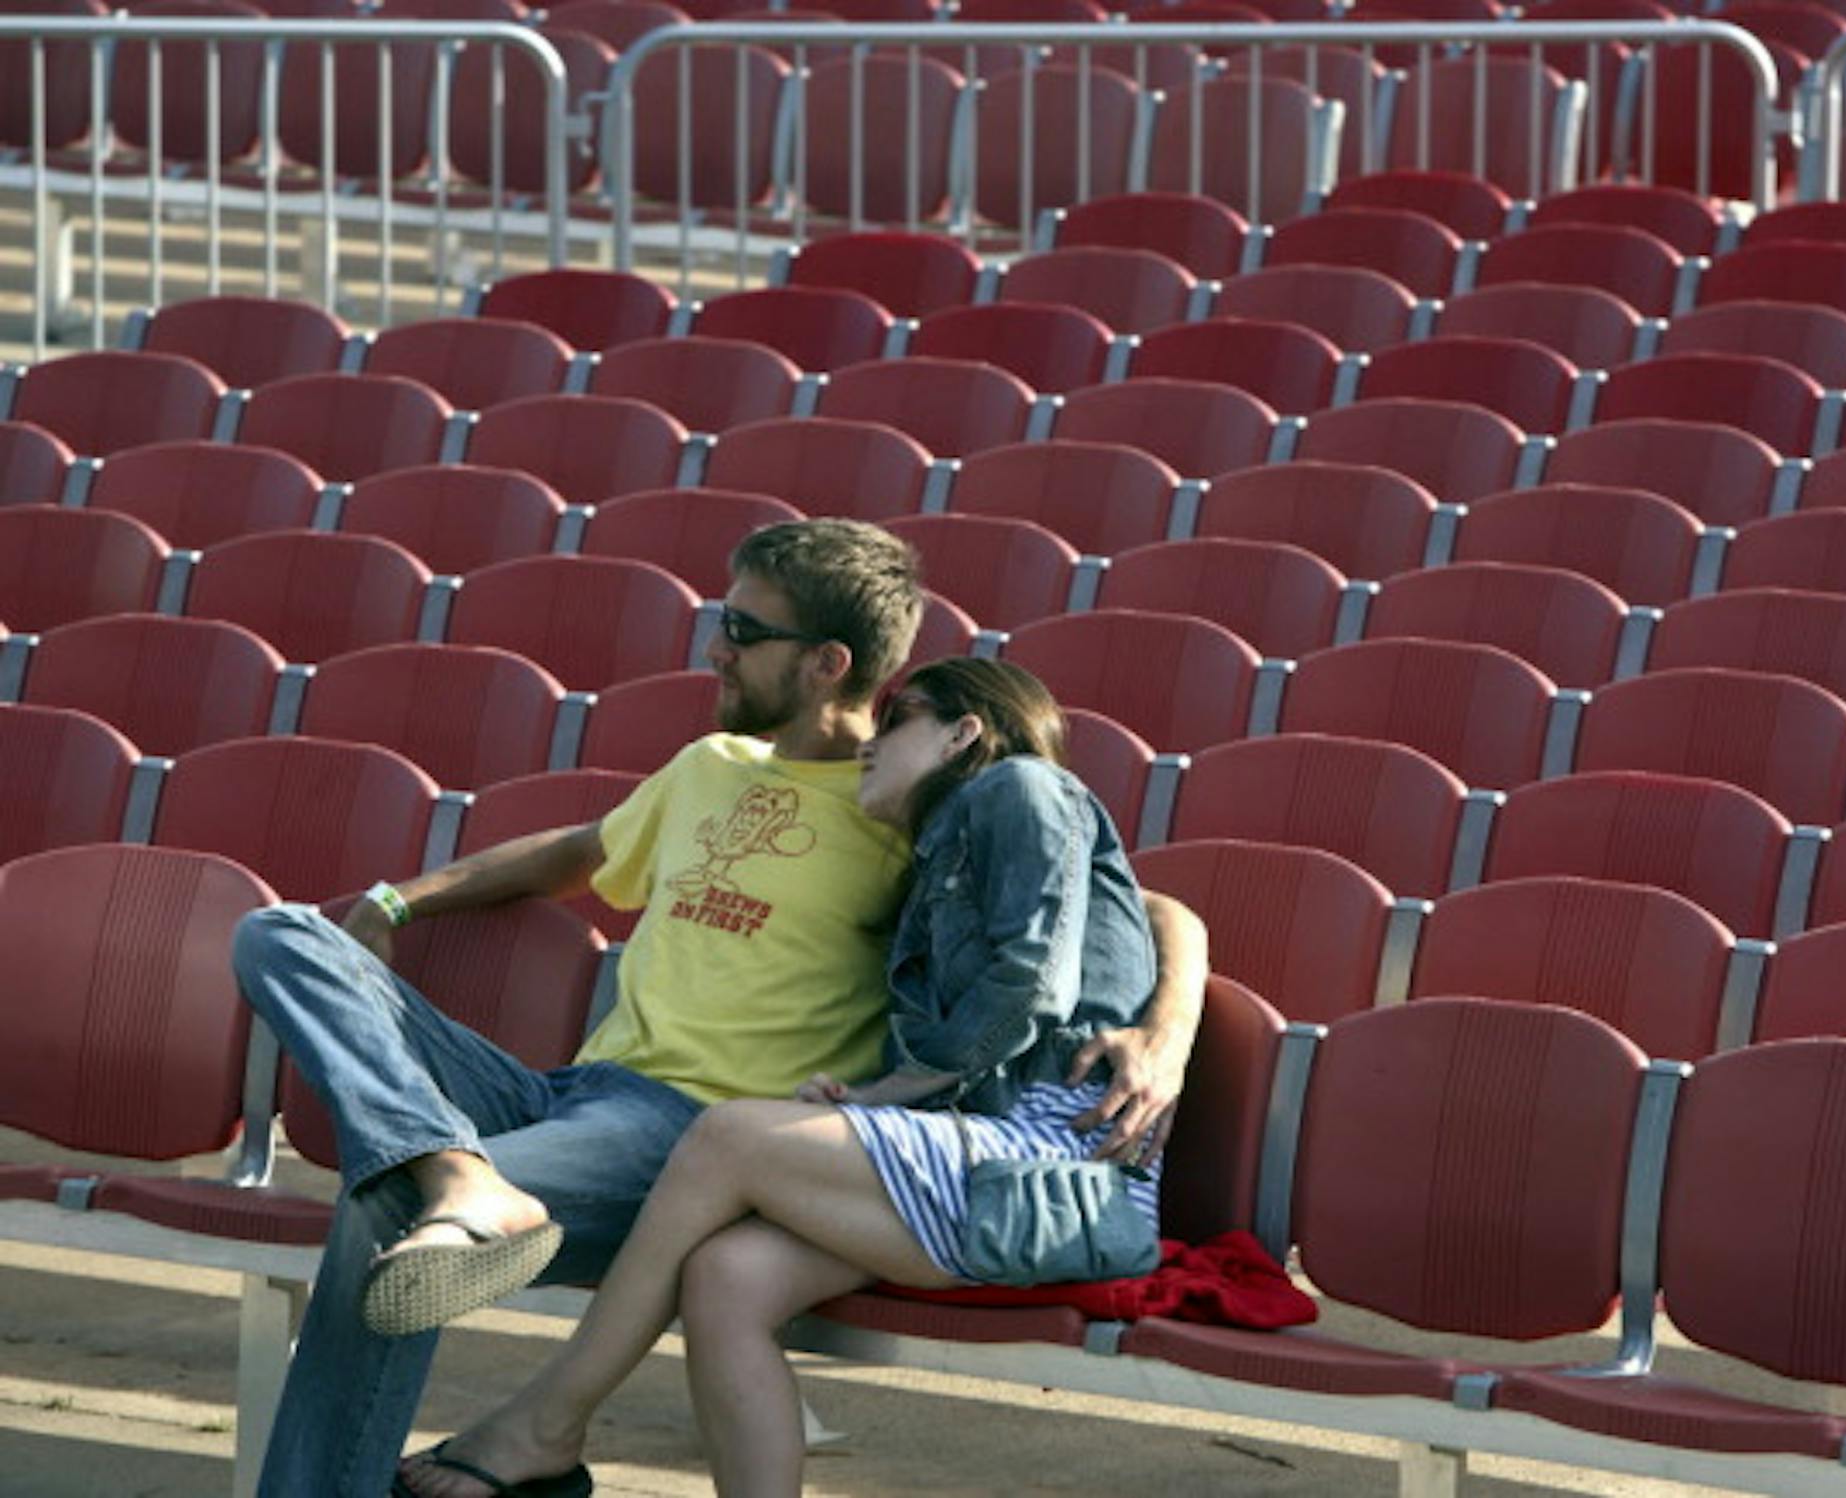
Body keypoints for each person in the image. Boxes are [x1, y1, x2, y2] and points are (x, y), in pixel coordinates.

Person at [229, 520, 1206, 1498]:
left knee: (385, 1206)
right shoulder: (714, 765)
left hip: (683, 1132)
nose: (715, 646)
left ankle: (442, 1404)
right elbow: (578, 851)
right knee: (279, 932)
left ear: (828, 662)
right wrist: (399, 901)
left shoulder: (909, 805)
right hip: (569, 1094)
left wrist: (1165, 1033)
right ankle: (454, 1168)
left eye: (743, 627)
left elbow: (1136, 904)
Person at [398, 658, 1172, 1498]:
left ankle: (545, 1423)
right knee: (725, 1278)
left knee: (729, 1132)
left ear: (964, 732)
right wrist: (876, 1100)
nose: (869, 746)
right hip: (973, 1166)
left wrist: (887, 1096)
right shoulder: (939, 850)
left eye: (898, 720)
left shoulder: (1019, 788)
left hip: (1054, 1170)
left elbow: (1031, 982)